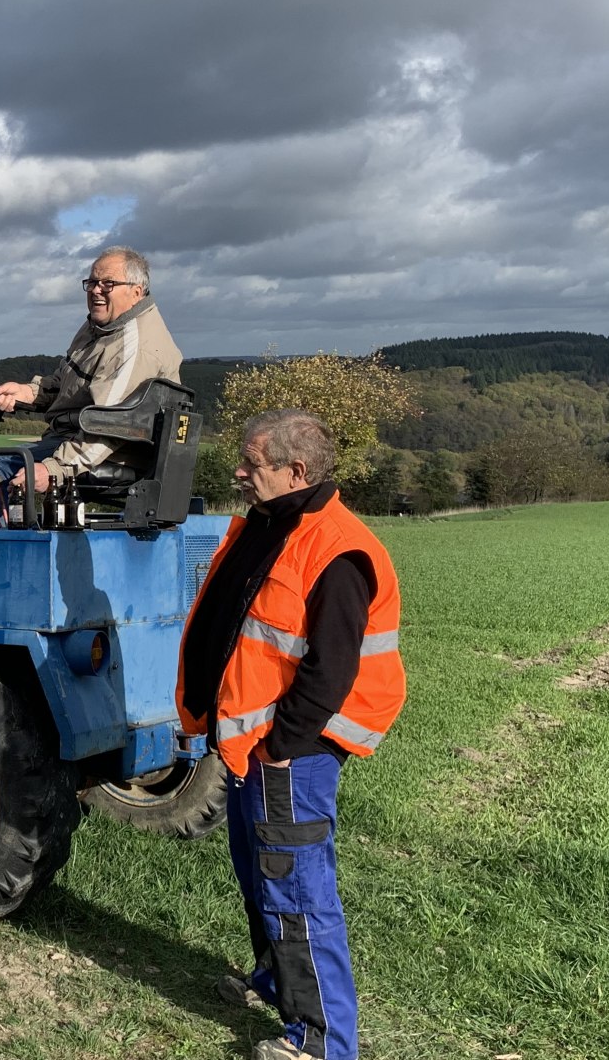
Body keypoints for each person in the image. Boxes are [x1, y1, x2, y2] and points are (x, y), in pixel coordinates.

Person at [173, 410, 407, 1060]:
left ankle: (322, 1042)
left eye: (252, 464)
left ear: (295, 471)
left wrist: (280, 748)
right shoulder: (273, 525)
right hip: (252, 749)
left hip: (290, 756)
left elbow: (330, 671)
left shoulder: (336, 550)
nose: (239, 473)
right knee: (259, 874)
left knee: (297, 892)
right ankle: (276, 984)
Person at [0, 246, 182, 492]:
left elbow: (111, 428)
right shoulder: (101, 326)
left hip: (114, 455)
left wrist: (54, 469)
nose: (96, 290)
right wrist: (28, 392)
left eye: (108, 284)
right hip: (74, 439)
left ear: (136, 292)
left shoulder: (134, 347)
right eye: (92, 282)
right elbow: (68, 384)